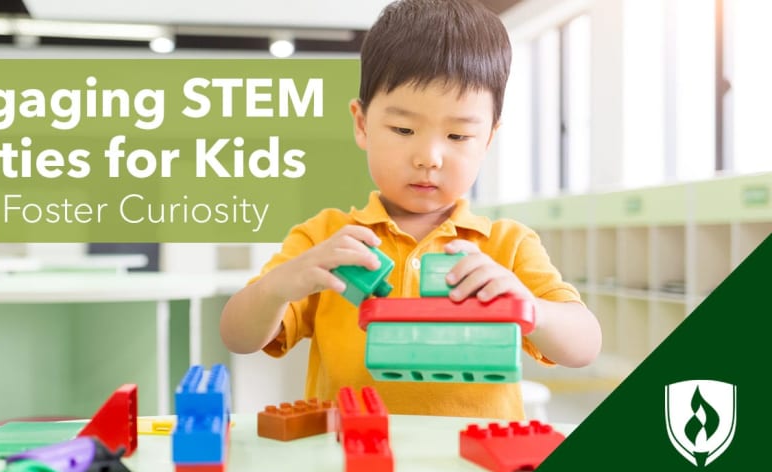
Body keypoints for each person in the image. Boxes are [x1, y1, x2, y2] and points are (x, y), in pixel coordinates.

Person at [219, 0, 602, 419]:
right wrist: (279, 286)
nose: (429, 157)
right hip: (346, 464)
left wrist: (529, 306)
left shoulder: (506, 245)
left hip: (472, 469)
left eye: (457, 135)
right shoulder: (327, 240)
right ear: (362, 124)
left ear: (488, 138)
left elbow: (584, 345)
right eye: (403, 129)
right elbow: (238, 336)